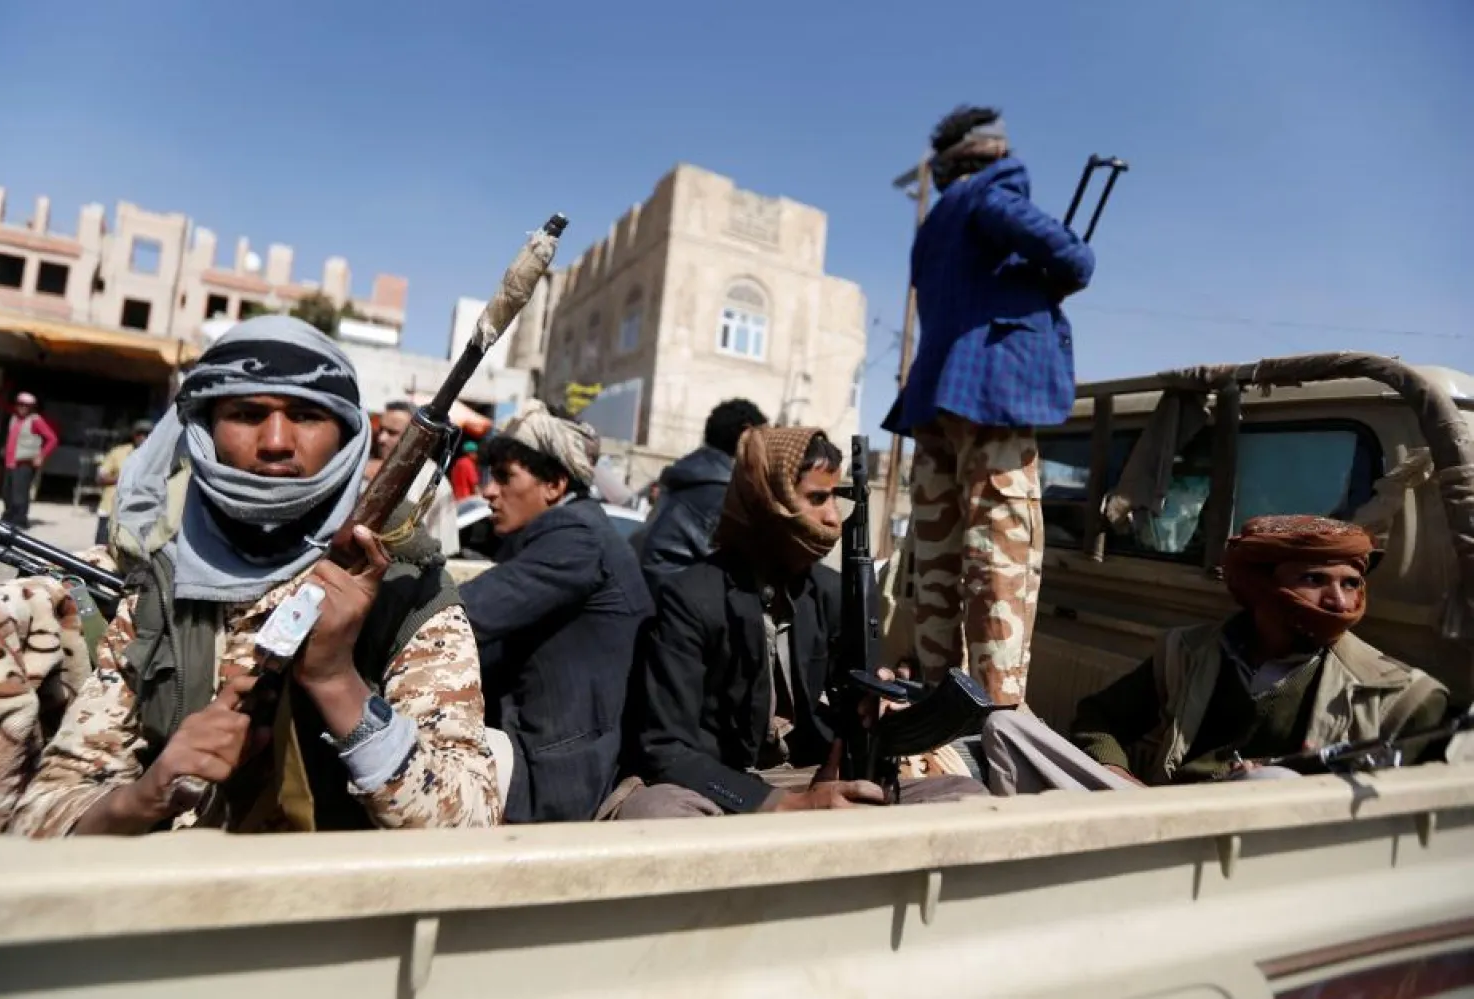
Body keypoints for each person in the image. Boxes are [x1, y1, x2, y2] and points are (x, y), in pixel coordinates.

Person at [8, 316, 502, 837]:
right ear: (207, 428)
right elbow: (43, 812)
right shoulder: (164, 585)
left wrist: (338, 683)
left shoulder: (404, 586)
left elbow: (469, 827)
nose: (275, 442)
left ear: (346, 436)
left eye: (307, 415)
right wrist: (145, 795)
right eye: (247, 414)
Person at [608, 426, 986, 819]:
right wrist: (778, 804)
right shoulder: (691, 597)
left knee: (968, 795)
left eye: (835, 499)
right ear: (770, 498)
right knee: (654, 813)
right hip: (722, 782)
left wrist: (874, 699)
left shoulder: (827, 592)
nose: (832, 518)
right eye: (817, 499)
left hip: (805, 772)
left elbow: (846, 702)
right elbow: (664, 748)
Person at [979, 515, 1451, 793]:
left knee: (1273, 787)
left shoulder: (1401, 695)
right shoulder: (1190, 651)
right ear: (1261, 586)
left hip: (1262, 853)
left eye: (1352, 584)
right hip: (1156, 813)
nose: (1341, 602)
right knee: (1005, 725)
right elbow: (1101, 718)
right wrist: (1115, 774)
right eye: (1314, 580)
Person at [881, 105, 1096, 707]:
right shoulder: (994, 193)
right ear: (992, 155)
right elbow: (1076, 259)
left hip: (935, 397)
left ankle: (937, 700)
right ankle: (998, 716)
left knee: (940, 559)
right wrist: (1046, 274)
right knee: (1002, 548)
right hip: (991, 392)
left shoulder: (937, 219)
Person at [459, 400, 653, 823]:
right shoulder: (567, 532)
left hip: (560, 772)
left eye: (506, 477)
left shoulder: (575, 539)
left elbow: (467, 615)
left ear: (555, 484)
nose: (489, 491)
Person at [632, 398, 768, 587]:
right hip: (672, 601)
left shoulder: (686, 478)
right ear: (746, 436)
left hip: (648, 593)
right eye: (763, 442)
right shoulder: (722, 494)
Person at [371, 400, 461, 556]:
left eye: (392, 432)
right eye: (381, 430)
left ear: (417, 436)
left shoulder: (433, 481)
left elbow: (445, 550)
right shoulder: (371, 470)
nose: (382, 439)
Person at [1, 391, 59, 528]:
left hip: (24, 462)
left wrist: (41, 455)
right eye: (20, 404)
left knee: (19, 494)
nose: (22, 407)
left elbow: (52, 439)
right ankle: (8, 517)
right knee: (7, 491)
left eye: (26, 405)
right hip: (11, 462)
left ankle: (20, 520)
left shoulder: (35, 420)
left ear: (32, 407)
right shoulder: (15, 418)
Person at [94, 419, 154, 545]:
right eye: (139, 434)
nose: (143, 437)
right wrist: (125, 477)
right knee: (101, 552)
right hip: (110, 511)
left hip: (140, 516)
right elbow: (100, 478)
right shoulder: (118, 452)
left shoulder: (157, 457)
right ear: (134, 435)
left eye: (147, 434)